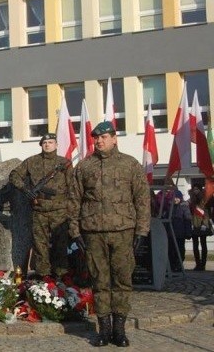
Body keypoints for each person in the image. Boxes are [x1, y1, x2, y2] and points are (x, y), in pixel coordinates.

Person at [69, 121, 150, 347]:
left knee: (122, 280)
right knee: (99, 280)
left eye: (104, 137)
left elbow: (142, 200)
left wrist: (142, 231)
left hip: (123, 231)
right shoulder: (84, 167)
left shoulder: (130, 165)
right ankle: (103, 329)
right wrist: (75, 232)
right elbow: (74, 201)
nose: (99, 141)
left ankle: (119, 330)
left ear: (114, 138)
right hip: (93, 233)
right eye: (96, 137)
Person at [9, 132, 73, 278]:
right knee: (40, 246)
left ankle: (61, 277)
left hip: (60, 210)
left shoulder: (65, 163)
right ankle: (43, 276)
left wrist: (71, 208)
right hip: (39, 210)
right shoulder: (31, 162)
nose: (47, 145)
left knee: (60, 245)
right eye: (44, 143)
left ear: (56, 145)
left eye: (50, 142)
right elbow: (14, 175)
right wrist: (25, 190)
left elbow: (72, 186)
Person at [167, 190, 192, 272]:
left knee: (180, 249)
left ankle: (179, 264)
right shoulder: (169, 207)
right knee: (171, 250)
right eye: (174, 197)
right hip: (171, 233)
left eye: (177, 198)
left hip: (180, 233)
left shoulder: (184, 207)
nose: (175, 199)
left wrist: (188, 233)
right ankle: (172, 265)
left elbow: (188, 220)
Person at [189, 184, 212, 271]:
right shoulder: (191, 200)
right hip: (194, 223)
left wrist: (204, 223)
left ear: (200, 190)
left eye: (197, 189)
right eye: (194, 189)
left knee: (203, 244)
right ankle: (197, 264)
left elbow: (206, 212)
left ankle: (203, 264)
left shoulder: (204, 199)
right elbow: (190, 211)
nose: (195, 191)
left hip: (203, 222)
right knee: (195, 245)